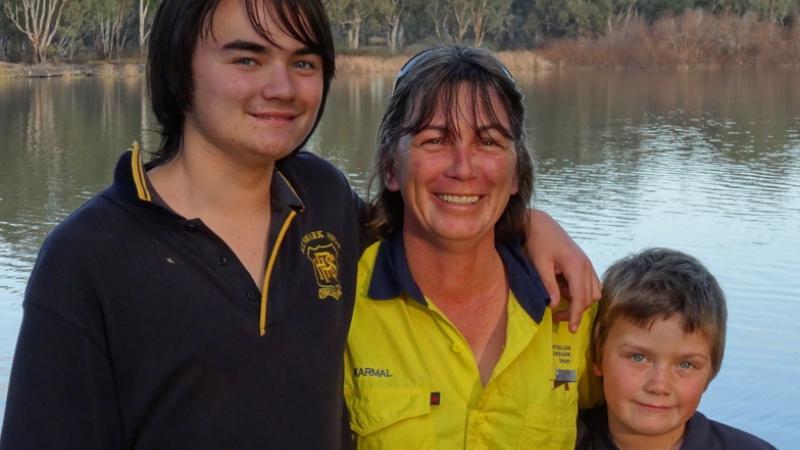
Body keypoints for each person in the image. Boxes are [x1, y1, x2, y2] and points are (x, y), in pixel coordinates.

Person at [1, 2, 597, 449]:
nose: (281, 88)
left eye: (303, 62)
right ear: (181, 68)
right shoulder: (89, 257)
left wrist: (529, 223)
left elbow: (443, 214)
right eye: (247, 58)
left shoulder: (323, 204)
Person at [344, 46, 602, 450]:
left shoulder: (573, 303)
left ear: (517, 172)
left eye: (488, 142)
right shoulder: (340, 308)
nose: (463, 168)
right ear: (391, 168)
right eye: (435, 140)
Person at [577, 248, 776, 450]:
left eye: (686, 364)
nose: (659, 386)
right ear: (598, 353)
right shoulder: (557, 439)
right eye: (638, 357)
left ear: (710, 371)